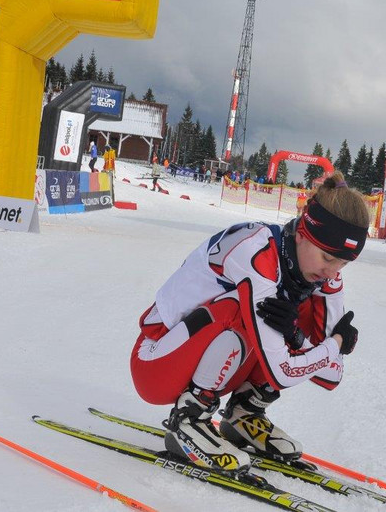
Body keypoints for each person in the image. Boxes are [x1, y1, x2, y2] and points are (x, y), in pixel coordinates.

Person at [129, 172, 367, 474]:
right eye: (327, 258)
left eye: (343, 264)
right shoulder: (256, 252)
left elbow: (331, 377)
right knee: (243, 311)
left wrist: (298, 337)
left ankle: (245, 412)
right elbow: (284, 371)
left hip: (213, 357)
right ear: (303, 234)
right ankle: (190, 418)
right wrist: (336, 344)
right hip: (156, 363)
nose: (332, 273)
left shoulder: (323, 277)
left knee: (296, 312)